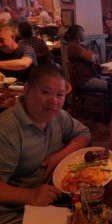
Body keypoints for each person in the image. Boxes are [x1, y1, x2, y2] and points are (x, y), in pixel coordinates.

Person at [0, 64, 91, 223]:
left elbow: (84, 134)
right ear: (27, 90)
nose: (53, 101)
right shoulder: (7, 130)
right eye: (46, 92)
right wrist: (31, 195)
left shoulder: (59, 117)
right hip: (16, 212)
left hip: (55, 201)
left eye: (60, 94)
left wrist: (58, 156)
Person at [65, 24, 108, 92]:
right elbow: (91, 58)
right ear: (78, 34)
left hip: (92, 77)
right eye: (83, 31)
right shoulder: (72, 46)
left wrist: (93, 57)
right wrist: (92, 56)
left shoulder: (81, 46)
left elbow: (95, 57)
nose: (84, 34)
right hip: (84, 81)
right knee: (111, 85)